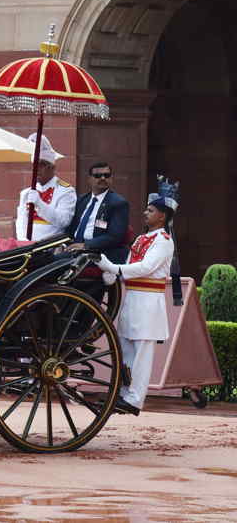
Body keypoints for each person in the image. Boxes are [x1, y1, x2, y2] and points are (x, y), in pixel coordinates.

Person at [94, 176, 179, 416]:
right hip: (132, 300)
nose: (145, 213)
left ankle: (135, 399)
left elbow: (145, 268)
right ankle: (123, 393)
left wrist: (114, 268)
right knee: (126, 350)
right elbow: (132, 263)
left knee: (141, 355)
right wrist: (114, 276)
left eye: (150, 210)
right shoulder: (143, 238)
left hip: (148, 303)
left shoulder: (164, 242)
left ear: (162, 216)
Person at [65, 161, 130, 263]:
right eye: (97, 175)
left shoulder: (118, 203)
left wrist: (85, 245)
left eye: (106, 175)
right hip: (75, 249)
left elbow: (114, 237)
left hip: (98, 253)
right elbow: (71, 228)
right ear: (89, 179)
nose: (103, 178)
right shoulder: (82, 200)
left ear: (111, 178)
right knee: (43, 259)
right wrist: (62, 244)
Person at [15, 133, 76, 241]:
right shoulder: (26, 193)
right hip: (26, 247)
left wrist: (39, 203)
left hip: (50, 247)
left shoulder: (66, 191)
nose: (37, 169)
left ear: (52, 167)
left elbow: (63, 222)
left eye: (42, 165)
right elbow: (21, 221)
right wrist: (23, 241)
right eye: (34, 165)